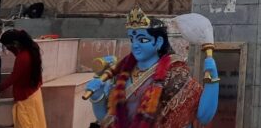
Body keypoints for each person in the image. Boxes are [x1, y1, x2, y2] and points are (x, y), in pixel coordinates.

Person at [85, 7, 219, 127]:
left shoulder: (175, 74)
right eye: (132, 39)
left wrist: (213, 79)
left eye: (143, 40)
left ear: (159, 42)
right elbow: (107, 120)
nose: (135, 45)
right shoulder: (123, 73)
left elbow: (203, 116)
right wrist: (97, 98)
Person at [0, 29, 47, 127]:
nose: (8, 50)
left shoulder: (23, 57)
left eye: (8, 47)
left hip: (25, 98)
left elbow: (14, 77)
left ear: (15, 44)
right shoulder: (32, 48)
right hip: (34, 93)